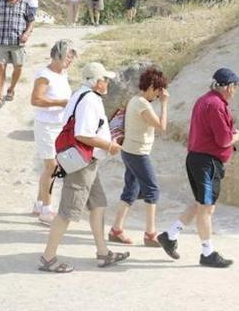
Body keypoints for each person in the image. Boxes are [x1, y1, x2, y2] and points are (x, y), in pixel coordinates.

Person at [39, 62, 129, 273]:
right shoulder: (90, 100)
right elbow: (82, 134)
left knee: (98, 204)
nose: (108, 82)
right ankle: (48, 257)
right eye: (105, 79)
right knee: (68, 211)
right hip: (82, 163)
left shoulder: (79, 94)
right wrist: (109, 145)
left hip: (84, 161)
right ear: (97, 82)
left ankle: (103, 253)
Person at [157, 68, 239, 268]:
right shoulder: (216, 105)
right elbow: (223, 140)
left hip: (197, 159)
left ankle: (170, 235)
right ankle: (208, 253)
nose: (236, 90)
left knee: (200, 204)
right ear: (228, 87)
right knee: (206, 209)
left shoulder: (204, 100)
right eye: (235, 86)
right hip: (208, 163)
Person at [109, 67, 168, 247]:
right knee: (152, 189)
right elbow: (161, 126)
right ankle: (150, 234)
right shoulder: (142, 104)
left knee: (132, 189)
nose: (158, 96)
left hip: (130, 150)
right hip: (138, 153)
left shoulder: (134, 100)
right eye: (158, 92)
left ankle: (116, 230)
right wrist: (165, 104)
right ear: (151, 87)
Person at [30, 39, 77, 224]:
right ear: (58, 55)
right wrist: (61, 103)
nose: (70, 60)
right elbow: (36, 100)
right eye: (68, 56)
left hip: (60, 126)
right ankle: (47, 210)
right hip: (46, 126)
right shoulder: (44, 74)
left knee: (50, 166)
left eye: (72, 57)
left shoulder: (63, 74)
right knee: (52, 167)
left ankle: (39, 204)